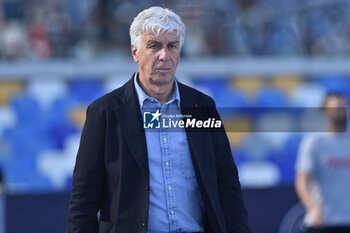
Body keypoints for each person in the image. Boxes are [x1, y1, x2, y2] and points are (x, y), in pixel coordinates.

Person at [68, 6, 251, 233]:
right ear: (135, 52)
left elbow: (227, 185)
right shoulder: (104, 113)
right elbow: (83, 202)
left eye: (172, 46)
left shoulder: (203, 107)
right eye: (154, 46)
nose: (164, 55)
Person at [295, 93, 350, 233]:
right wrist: (313, 209)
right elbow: (302, 181)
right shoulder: (314, 143)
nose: (341, 111)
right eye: (336, 108)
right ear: (325, 111)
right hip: (322, 222)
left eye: (344, 107)